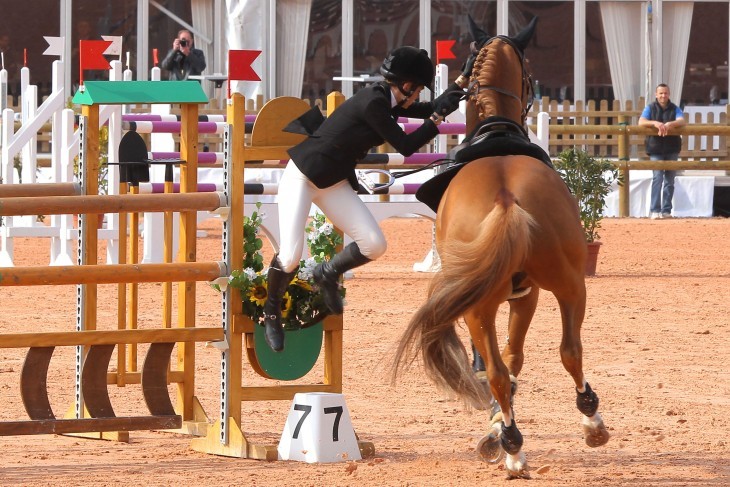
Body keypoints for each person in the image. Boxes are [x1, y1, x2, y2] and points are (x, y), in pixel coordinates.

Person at [262, 46, 474, 352]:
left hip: (332, 182)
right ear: (406, 86)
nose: (416, 96)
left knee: (374, 244)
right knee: (291, 256)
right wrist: (438, 117)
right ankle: (271, 311)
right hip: (303, 177)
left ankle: (328, 272)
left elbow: (429, 108)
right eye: (416, 90)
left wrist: (461, 83)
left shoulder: (386, 100)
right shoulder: (375, 102)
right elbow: (406, 145)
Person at [639, 83, 686, 219]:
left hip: (672, 148)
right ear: (656, 94)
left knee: (670, 181)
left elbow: (682, 121)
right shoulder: (650, 108)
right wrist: (655, 123)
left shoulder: (675, 108)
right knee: (657, 178)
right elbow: (641, 121)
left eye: (665, 93)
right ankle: (654, 209)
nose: (663, 95)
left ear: (669, 94)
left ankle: (666, 210)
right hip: (655, 148)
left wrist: (670, 124)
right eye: (660, 93)